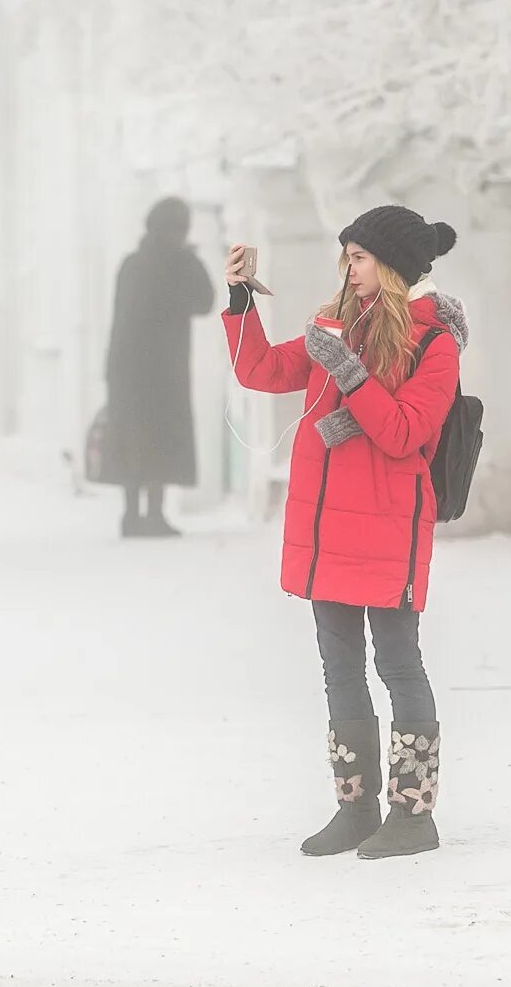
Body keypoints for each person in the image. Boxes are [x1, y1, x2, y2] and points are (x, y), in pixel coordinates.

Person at [221, 205, 465, 860]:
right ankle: (355, 808)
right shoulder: (338, 326)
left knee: (399, 667)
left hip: (387, 530)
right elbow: (262, 371)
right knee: (339, 671)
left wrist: (349, 374)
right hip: (325, 530)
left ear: (391, 264)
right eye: (347, 257)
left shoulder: (433, 342)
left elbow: (403, 433)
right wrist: (241, 301)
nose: (349, 269)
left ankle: (413, 817)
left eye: (359, 257)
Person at [103, 198, 215, 537]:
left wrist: (110, 368)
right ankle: (154, 514)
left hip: (128, 369)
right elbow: (205, 301)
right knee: (161, 438)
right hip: (165, 371)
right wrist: (192, 260)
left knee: (133, 437)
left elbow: (119, 319)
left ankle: (131, 514)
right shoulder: (180, 264)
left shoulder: (132, 264)